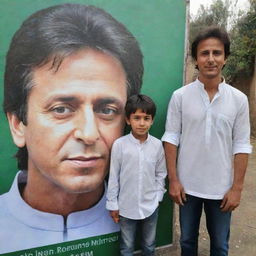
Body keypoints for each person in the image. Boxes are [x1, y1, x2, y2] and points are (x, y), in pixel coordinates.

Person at [0, 3, 143, 253]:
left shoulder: (137, 220)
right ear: (17, 124)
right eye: (62, 109)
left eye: (107, 110)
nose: (88, 134)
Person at [162, 26, 252, 256]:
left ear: (225, 58)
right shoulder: (180, 96)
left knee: (220, 246)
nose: (210, 59)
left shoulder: (239, 100)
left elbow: (241, 145)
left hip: (222, 189)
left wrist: (237, 189)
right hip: (187, 187)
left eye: (217, 53)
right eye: (204, 53)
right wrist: (173, 180)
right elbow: (171, 138)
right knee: (188, 242)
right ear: (196, 59)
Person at [106, 94, 167, 256]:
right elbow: (114, 176)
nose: (141, 123)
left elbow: (161, 173)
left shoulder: (157, 145)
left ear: (152, 120)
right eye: (137, 118)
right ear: (128, 120)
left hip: (150, 206)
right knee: (127, 246)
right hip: (126, 206)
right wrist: (113, 204)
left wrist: (158, 196)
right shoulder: (120, 145)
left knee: (149, 245)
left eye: (146, 118)